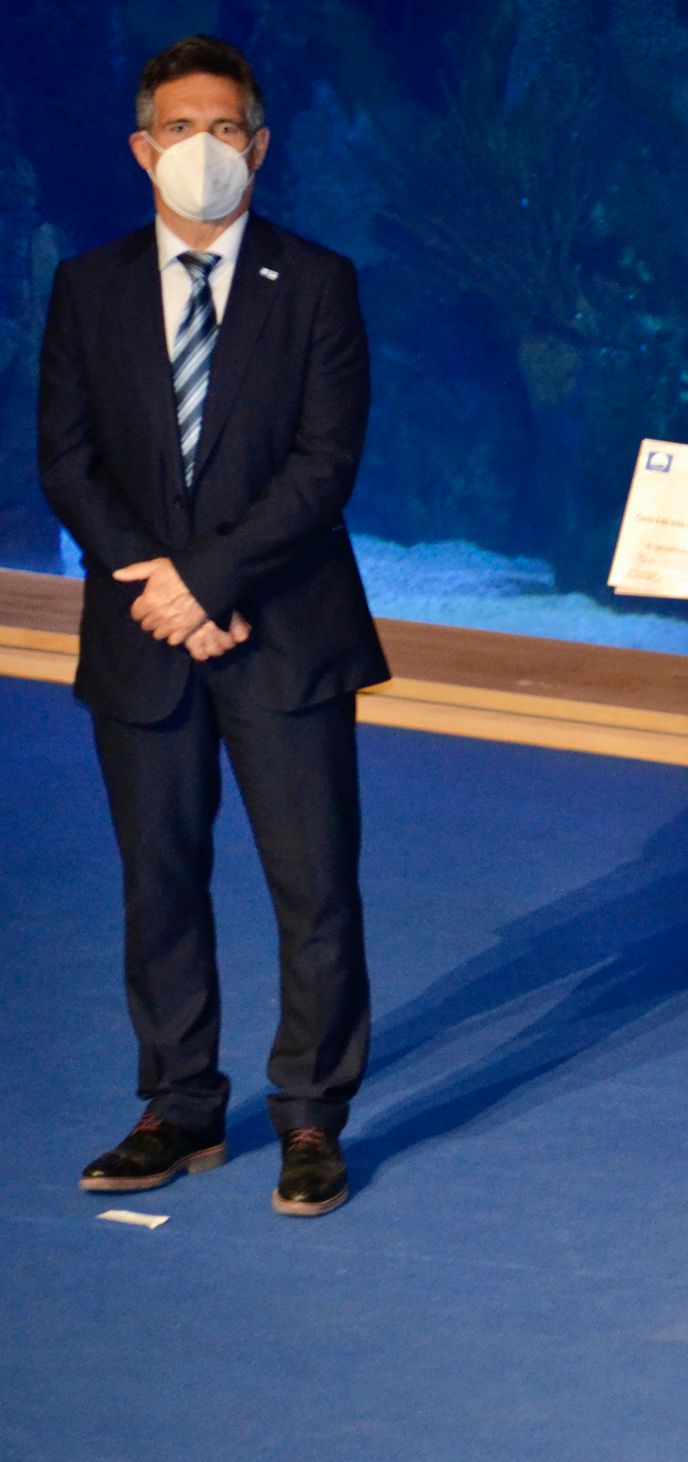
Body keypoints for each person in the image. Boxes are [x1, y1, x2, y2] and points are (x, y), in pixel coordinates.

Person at [39, 36, 386, 1217]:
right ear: (143, 149)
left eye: (225, 128)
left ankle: (308, 1114)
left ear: (261, 146)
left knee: (313, 885)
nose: (204, 150)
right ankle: (178, 1106)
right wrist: (161, 588)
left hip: (281, 629)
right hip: (143, 636)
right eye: (179, 130)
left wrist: (210, 582)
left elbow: (323, 465)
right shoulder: (85, 287)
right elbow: (68, 463)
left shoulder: (319, 281)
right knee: (160, 883)